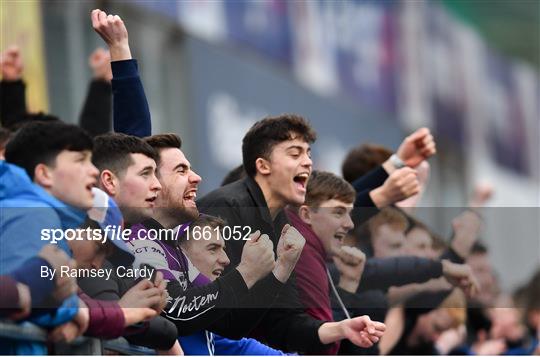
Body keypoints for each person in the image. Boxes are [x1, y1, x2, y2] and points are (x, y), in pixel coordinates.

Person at [199, 114, 386, 354]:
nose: (308, 161)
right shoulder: (225, 208)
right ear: (263, 165)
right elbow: (217, 321)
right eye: (295, 153)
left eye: (308, 153)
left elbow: (284, 324)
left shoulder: (282, 227)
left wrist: (340, 329)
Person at [178, 215, 292, 355]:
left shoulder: (207, 320)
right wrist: (248, 269)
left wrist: (283, 265)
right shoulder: (159, 315)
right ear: (179, 255)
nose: (226, 260)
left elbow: (243, 345)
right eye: (213, 248)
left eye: (223, 249)